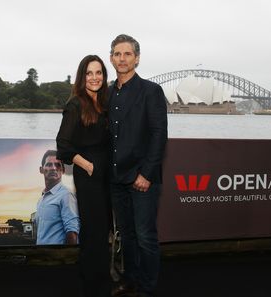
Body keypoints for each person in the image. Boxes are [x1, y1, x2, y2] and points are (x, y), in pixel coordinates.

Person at [108, 34, 168, 297]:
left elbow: (158, 135)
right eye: (117, 54)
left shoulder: (151, 91)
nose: (122, 59)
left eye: (127, 54)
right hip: (116, 178)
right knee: (127, 235)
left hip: (142, 178)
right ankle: (130, 280)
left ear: (137, 58)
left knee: (145, 237)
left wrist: (147, 174)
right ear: (111, 58)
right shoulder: (107, 93)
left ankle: (147, 288)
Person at [56, 55, 111, 297]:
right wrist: (87, 165)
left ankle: (101, 278)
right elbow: (64, 146)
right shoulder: (76, 104)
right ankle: (91, 283)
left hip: (108, 174)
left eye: (98, 73)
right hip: (88, 175)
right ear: (82, 76)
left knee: (104, 229)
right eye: (89, 73)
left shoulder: (106, 102)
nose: (94, 77)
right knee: (92, 229)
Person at [35, 149, 80, 245]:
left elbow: (72, 233)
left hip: (57, 258)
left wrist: (65, 258)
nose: (53, 168)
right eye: (49, 164)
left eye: (58, 165)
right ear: (41, 169)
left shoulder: (66, 195)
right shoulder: (41, 200)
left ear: (63, 170)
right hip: (41, 257)